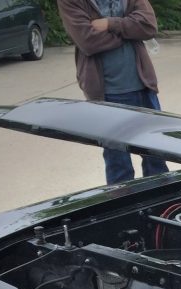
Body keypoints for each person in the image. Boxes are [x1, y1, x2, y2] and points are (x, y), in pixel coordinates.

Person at [57, 0, 169, 184]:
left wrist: (110, 24)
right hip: (106, 95)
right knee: (119, 167)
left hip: (143, 87)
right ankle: (125, 210)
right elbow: (87, 41)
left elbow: (148, 25)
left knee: (156, 160)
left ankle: (162, 209)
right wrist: (129, 31)